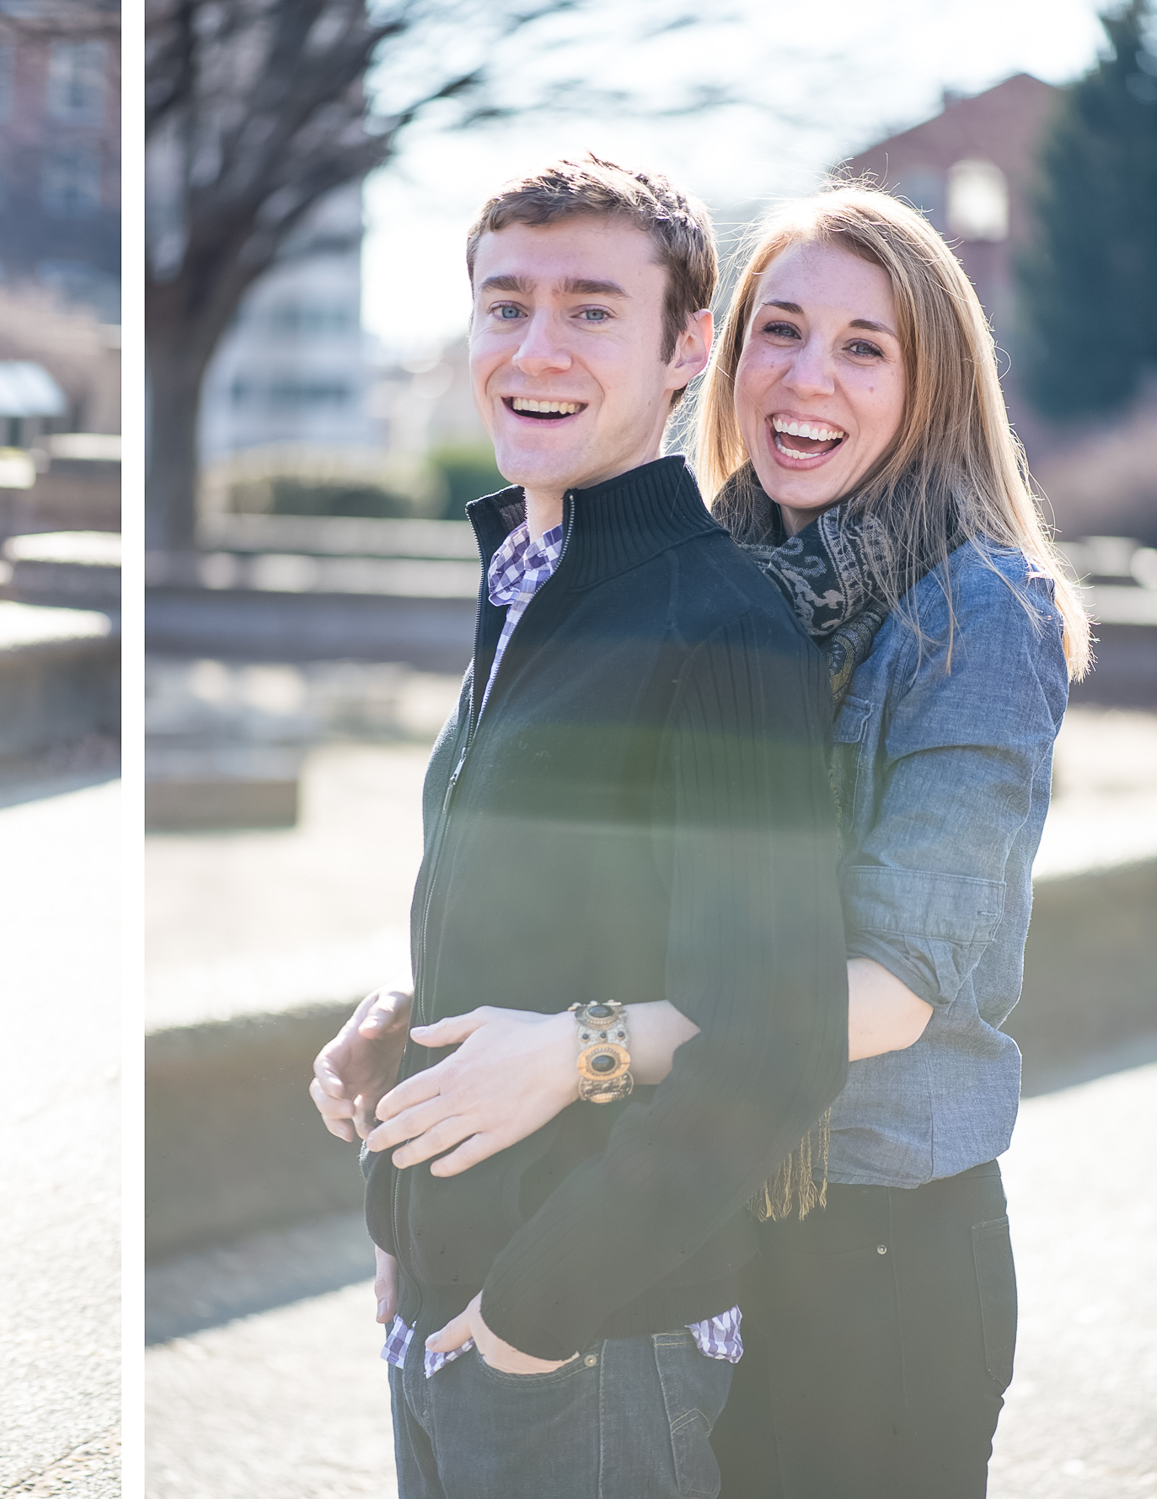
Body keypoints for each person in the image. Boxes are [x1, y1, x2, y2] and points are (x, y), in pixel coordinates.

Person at [323, 187, 1085, 1499]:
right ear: (722, 360)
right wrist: (435, 1007)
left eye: (864, 348)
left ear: (935, 383)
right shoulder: (715, 579)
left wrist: (579, 1046)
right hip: (702, 1212)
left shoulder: (978, 612)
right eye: (779, 332)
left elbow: (893, 993)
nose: (805, 379)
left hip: (873, 1243)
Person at [307, 152, 851, 1499]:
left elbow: (779, 1035)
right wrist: (405, 1080)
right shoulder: (527, 576)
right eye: (505, 304)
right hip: (450, 1294)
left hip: (592, 1334)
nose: (533, 347)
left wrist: (530, 1320)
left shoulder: (719, 618)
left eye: (591, 308)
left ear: (688, 347)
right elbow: (552, 907)